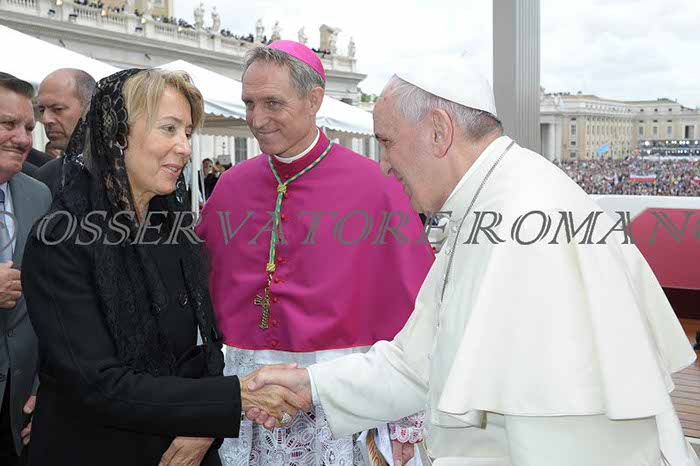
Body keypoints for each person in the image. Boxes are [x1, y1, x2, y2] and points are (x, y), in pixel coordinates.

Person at [245, 63, 700, 466]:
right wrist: (311, 385)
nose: (383, 166)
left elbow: (559, 441)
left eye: (387, 142)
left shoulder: (527, 225)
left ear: (439, 131)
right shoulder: (486, 204)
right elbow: (416, 364)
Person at [21, 68, 308, 466]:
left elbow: (201, 350)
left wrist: (204, 427)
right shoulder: (60, 239)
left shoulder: (173, 231)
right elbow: (96, 383)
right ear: (117, 135)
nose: (185, 148)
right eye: (169, 129)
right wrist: (234, 397)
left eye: (187, 133)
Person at [196, 40, 434, 466]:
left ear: (314, 100)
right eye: (249, 103)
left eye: (272, 103)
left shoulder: (377, 187)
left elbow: (416, 311)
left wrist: (404, 424)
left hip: (345, 395)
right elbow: (197, 296)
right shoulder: (230, 187)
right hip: (250, 396)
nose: (257, 119)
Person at [0, 73, 51, 466]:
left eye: (28, 128)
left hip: (17, 410)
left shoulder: (38, 195)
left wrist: (43, 386)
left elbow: (48, 301)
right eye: (7, 124)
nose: (22, 138)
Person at [36, 69, 96, 196]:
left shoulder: (129, 170)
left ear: (90, 108)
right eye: (41, 110)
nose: (45, 119)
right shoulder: (44, 177)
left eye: (58, 109)